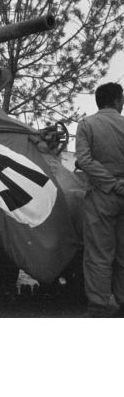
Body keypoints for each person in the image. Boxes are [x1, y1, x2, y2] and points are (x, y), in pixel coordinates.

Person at [75, 82, 124, 317]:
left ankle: (99, 307)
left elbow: (83, 161)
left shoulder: (87, 125)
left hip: (102, 194)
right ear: (117, 101)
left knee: (98, 253)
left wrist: (111, 183)